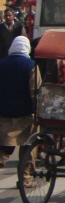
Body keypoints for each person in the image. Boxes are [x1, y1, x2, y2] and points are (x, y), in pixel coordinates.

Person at [0, 36, 36, 168]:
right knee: (28, 146)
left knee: (4, 145)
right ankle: (26, 177)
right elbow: (35, 90)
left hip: (4, 113)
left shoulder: (1, 64)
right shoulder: (31, 66)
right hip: (25, 114)